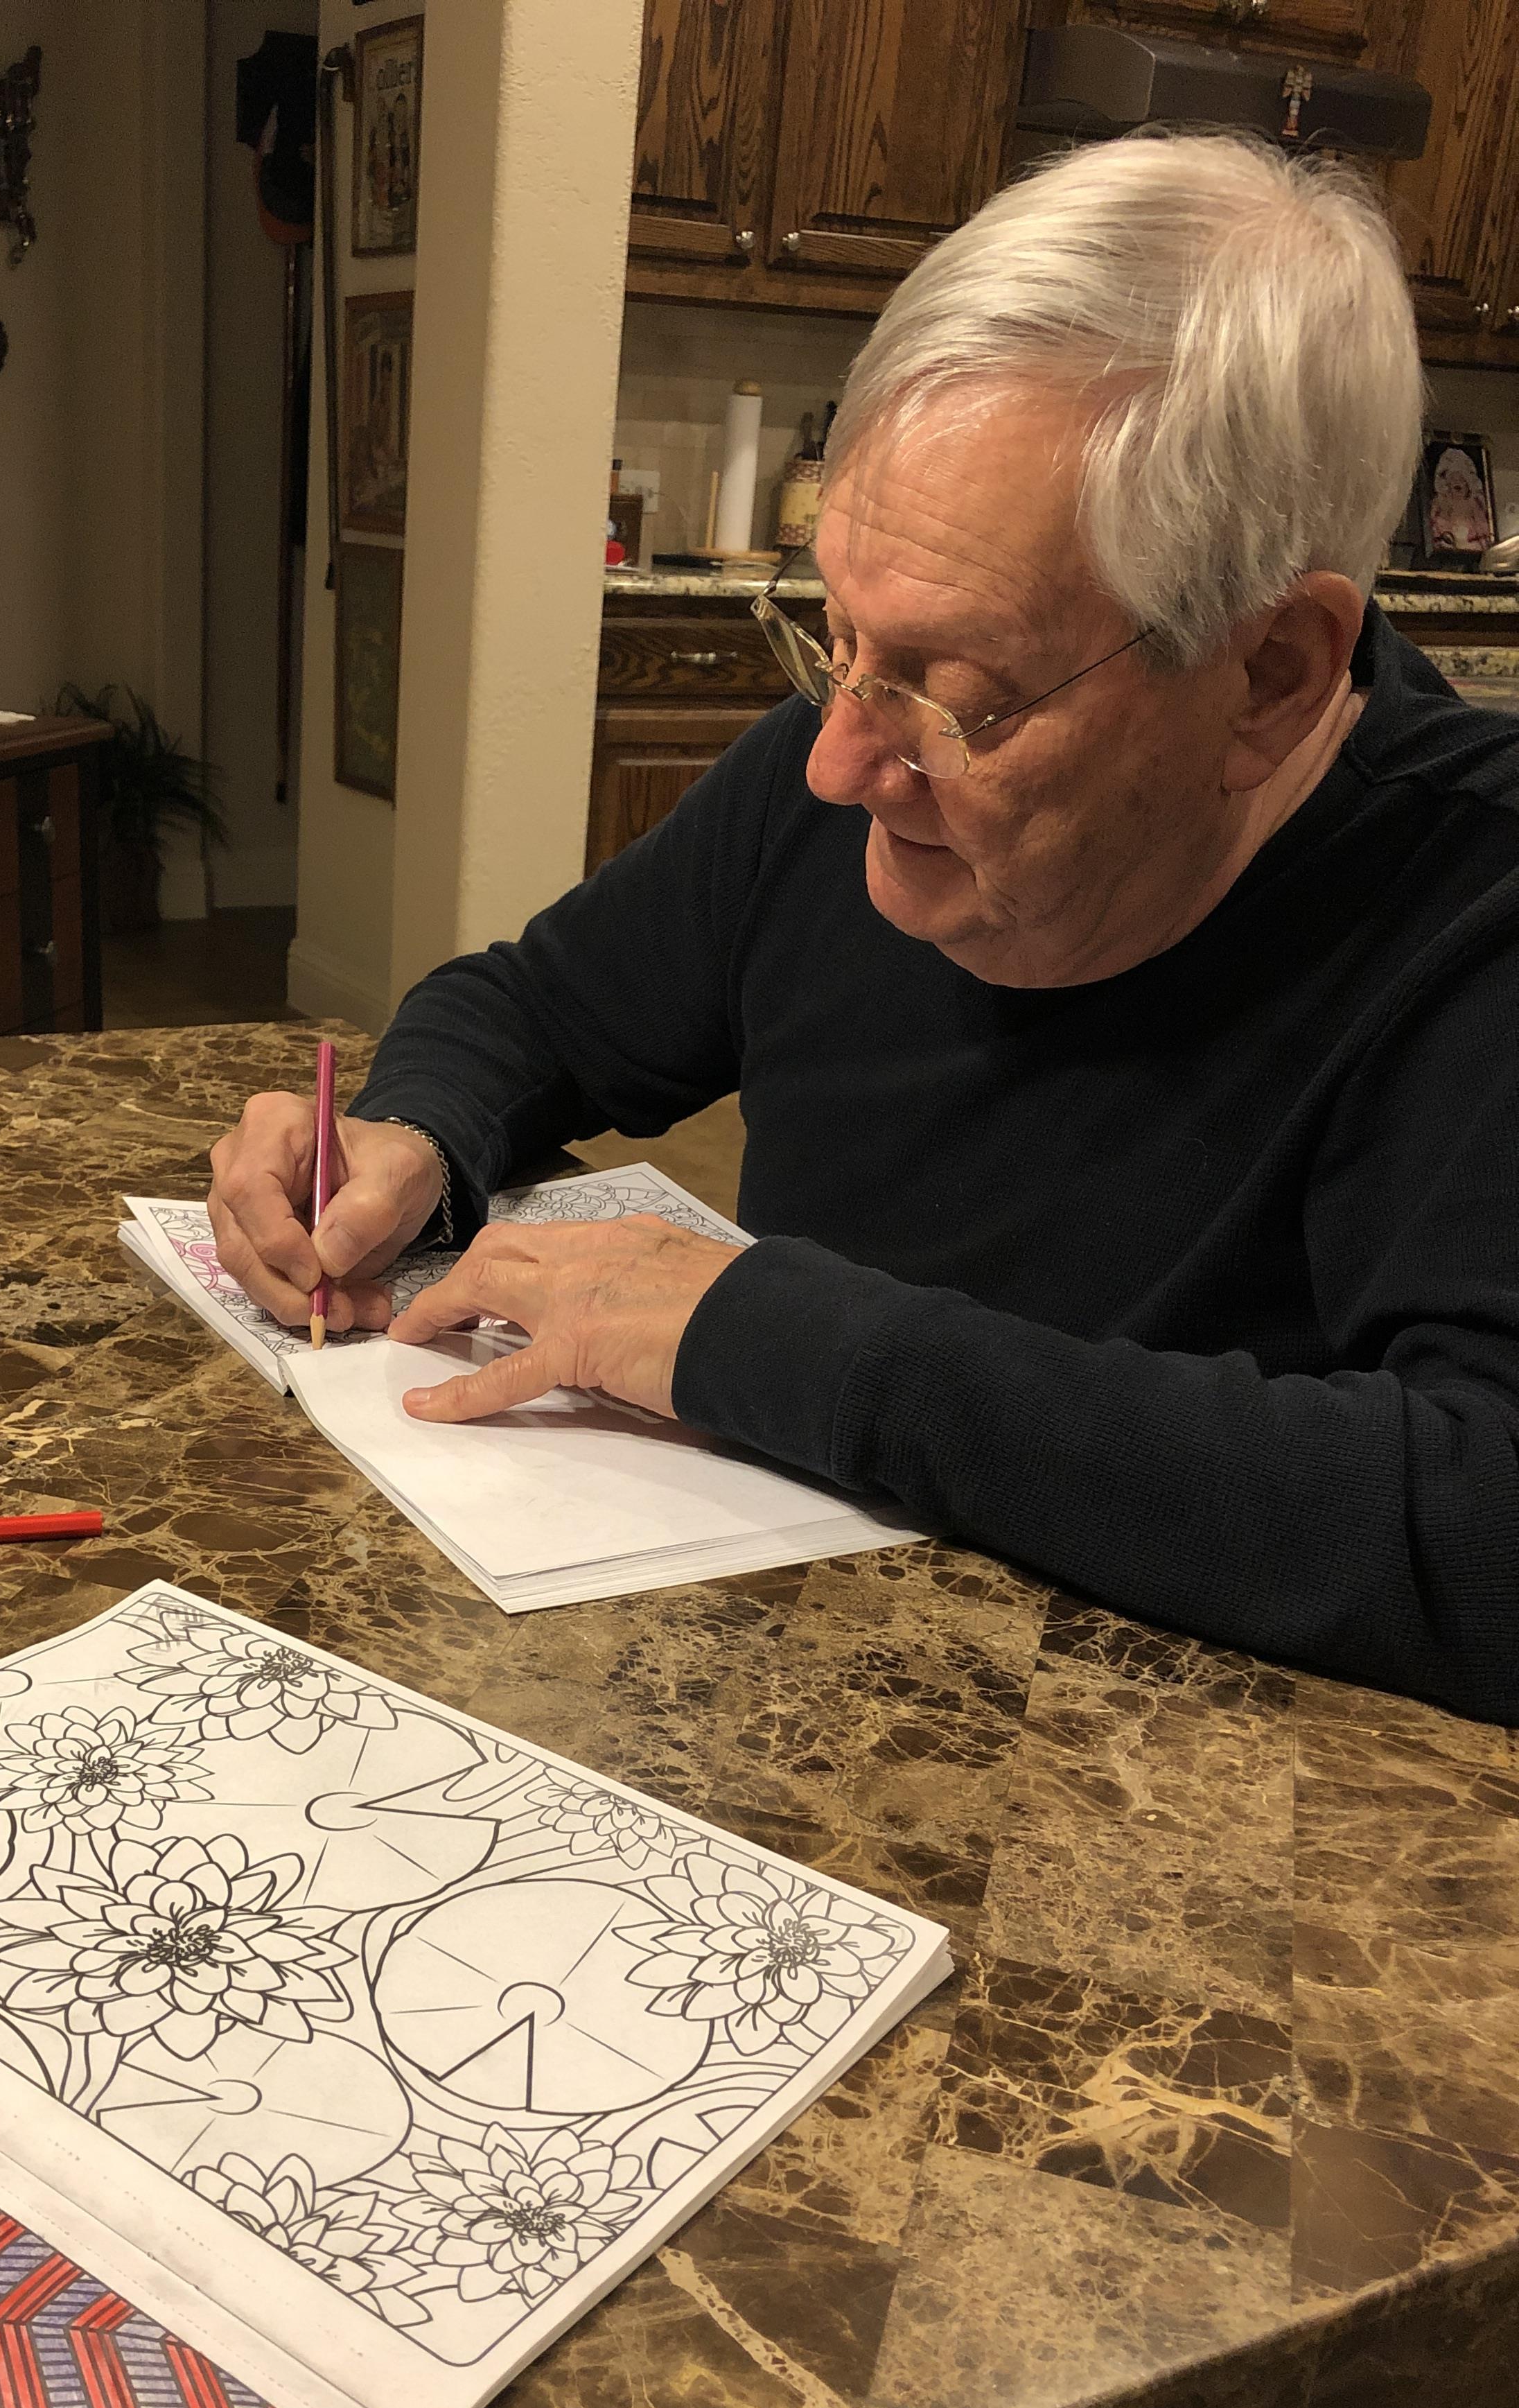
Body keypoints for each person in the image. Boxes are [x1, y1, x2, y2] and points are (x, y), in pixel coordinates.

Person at [210, 130, 1519, 1739]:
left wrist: (773, 1337)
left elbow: (1480, 1534)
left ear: (1270, 678)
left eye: (963, 692)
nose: (841, 758)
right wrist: (415, 1132)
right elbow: (536, 1006)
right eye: (833, 630)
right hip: (780, 1738)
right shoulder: (837, 774)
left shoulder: (1474, 916)